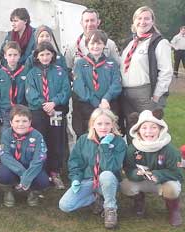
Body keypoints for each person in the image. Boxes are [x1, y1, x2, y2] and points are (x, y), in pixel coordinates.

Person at [59, 108, 126, 229]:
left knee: (106, 175)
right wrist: (75, 179)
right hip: (88, 180)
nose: (103, 127)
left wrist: (105, 147)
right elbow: (75, 162)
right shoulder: (84, 139)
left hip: (108, 182)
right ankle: (96, 198)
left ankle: (110, 208)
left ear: (113, 125)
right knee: (65, 205)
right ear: (93, 124)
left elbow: (111, 168)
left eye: (107, 123)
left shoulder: (119, 142)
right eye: (99, 123)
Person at [121, 110, 183, 227]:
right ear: (137, 130)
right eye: (144, 128)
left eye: (153, 127)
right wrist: (136, 173)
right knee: (125, 185)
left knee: (172, 189)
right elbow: (128, 169)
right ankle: (139, 201)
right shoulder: (132, 149)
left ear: (161, 129)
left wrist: (158, 175)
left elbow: (178, 174)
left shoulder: (170, 150)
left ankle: (173, 210)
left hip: (163, 182)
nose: (148, 132)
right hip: (143, 180)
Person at [120, 6, 173, 134]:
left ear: (152, 21)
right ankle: (134, 154)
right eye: (139, 18)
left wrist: (156, 96)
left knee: (149, 130)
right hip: (126, 94)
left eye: (147, 18)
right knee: (132, 130)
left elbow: (166, 72)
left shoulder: (159, 42)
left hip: (146, 93)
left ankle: (154, 154)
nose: (142, 21)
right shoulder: (129, 43)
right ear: (134, 21)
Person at [25, 42, 71, 189]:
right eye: (42, 54)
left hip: (56, 110)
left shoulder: (59, 71)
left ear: (53, 55)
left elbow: (66, 90)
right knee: (40, 140)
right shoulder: (32, 73)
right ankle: (41, 171)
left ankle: (55, 171)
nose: (45, 57)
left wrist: (54, 103)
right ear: (37, 56)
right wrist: (44, 104)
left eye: (48, 54)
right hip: (39, 111)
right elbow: (30, 92)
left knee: (56, 141)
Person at [0, 104, 49, 207]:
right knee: (2, 174)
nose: (21, 124)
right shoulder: (6, 134)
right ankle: (8, 192)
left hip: (31, 167)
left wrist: (28, 176)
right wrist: (23, 173)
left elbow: (39, 159)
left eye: (24, 121)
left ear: (30, 122)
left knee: (44, 181)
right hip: (13, 168)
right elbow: (5, 156)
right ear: (11, 122)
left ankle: (33, 194)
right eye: (17, 121)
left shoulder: (37, 136)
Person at [72, 30, 122, 137]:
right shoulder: (80, 64)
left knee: (108, 135)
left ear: (104, 45)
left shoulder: (111, 63)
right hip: (87, 107)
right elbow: (79, 87)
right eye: (92, 43)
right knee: (88, 136)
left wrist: (106, 99)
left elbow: (116, 84)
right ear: (87, 45)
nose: (95, 46)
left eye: (99, 43)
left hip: (108, 105)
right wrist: (96, 103)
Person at [0, 41, 27, 129]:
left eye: (15, 55)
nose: (12, 58)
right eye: (10, 55)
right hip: (5, 112)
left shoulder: (25, 72)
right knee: (6, 137)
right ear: (5, 56)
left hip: (22, 111)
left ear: (19, 56)